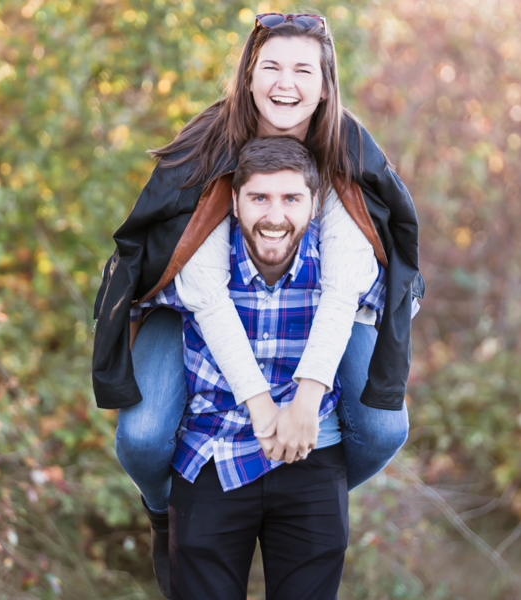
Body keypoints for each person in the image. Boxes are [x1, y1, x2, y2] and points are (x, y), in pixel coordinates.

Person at [92, 12, 423, 596]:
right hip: (189, 301)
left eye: (303, 69)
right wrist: (263, 407)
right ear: (248, 77)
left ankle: (298, 483)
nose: (285, 83)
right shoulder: (210, 143)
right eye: (271, 66)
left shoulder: (344, 148)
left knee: (381, 425)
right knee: (143, 437)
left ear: (325, 86)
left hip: (331, 303)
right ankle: (166, 507)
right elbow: (204, 289)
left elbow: (346, 284)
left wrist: (303, 405)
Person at [136, 136, 349, 599]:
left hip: (309, 456)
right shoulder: (199, 255)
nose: (275, 216)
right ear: (235, 202)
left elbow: (395, 303)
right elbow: (139, 294)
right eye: (259, 198)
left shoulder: (338, 264)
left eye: (291, 198)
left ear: (315, 205)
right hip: (212, 453)